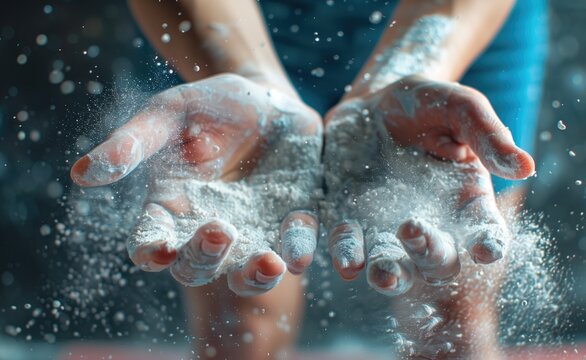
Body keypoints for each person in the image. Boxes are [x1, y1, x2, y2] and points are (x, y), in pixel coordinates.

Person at [69, 0, 551, 359]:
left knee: (453, 311)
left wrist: (410, 67)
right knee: (240, 322)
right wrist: (246, 74)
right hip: (223, 18)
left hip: (451, 17)